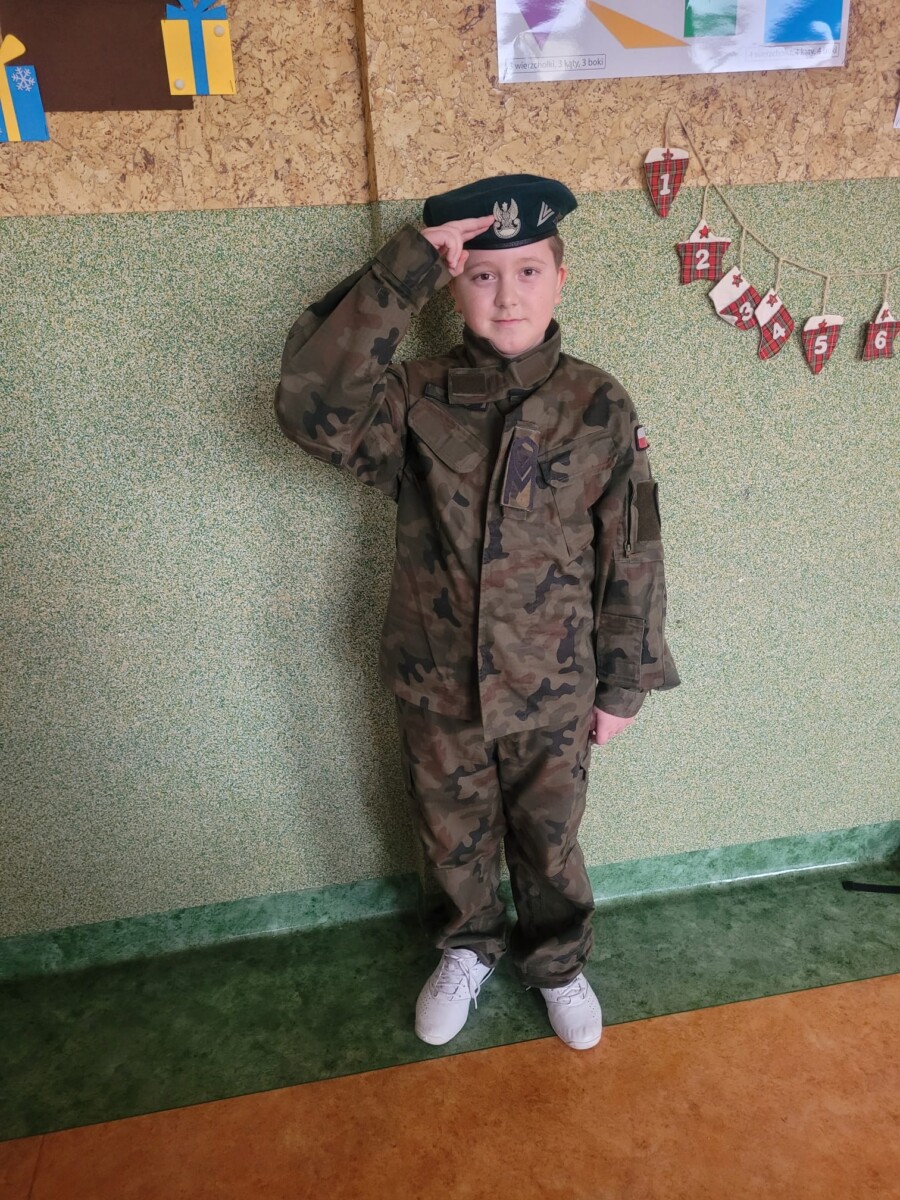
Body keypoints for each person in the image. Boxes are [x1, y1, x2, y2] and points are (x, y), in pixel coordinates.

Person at [275, 174, 679, 1051]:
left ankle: (558, 963)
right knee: (449, 834)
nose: (508, 295)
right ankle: (467, 948)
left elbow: (633, 552)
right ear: (454, 285)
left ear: (561, 279)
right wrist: (406, 269)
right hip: (438, 678)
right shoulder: (409, 396)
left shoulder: (599, 404)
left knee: (550, 839)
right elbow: (311, 408)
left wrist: (624, 685)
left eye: (529, 271)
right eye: (484, 274)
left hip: (556, 683)